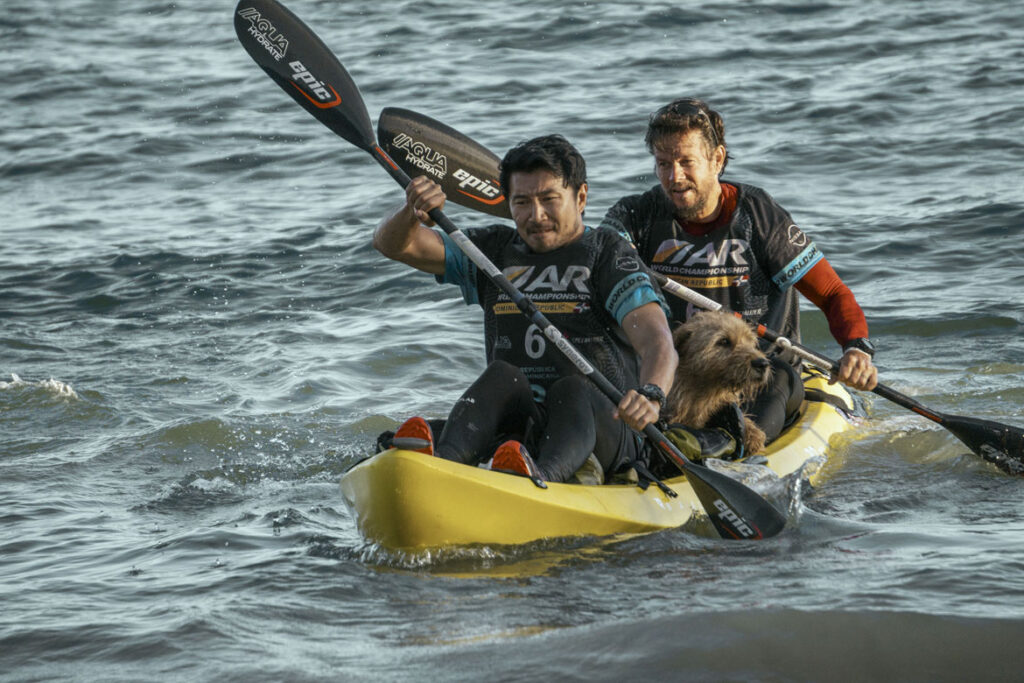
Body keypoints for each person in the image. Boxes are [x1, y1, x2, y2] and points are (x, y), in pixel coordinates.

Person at [373, 134, 678, 484]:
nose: (536, 216)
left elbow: (657, 341)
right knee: (502, 375)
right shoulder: (493, 251)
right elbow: (393, 245)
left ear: (580, 197)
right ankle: (443, 468)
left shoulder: (608, 255)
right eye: (522, 202)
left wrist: (651, 394)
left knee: (572, 388)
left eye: (549, 199)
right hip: (524, 430)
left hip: (606, 431)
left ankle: (543, 479)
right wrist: (411, 213)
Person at [599, 98, 878, 444]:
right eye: (663, 164)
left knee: (775, 379)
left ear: (717, 159)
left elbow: (832, 293)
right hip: (674, 371)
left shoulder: (759, 217)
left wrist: (857, 349)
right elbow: (590, 263)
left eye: (687, 162)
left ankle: (726, 446)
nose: (675, 177)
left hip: (761, 372)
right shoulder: (635, 215)